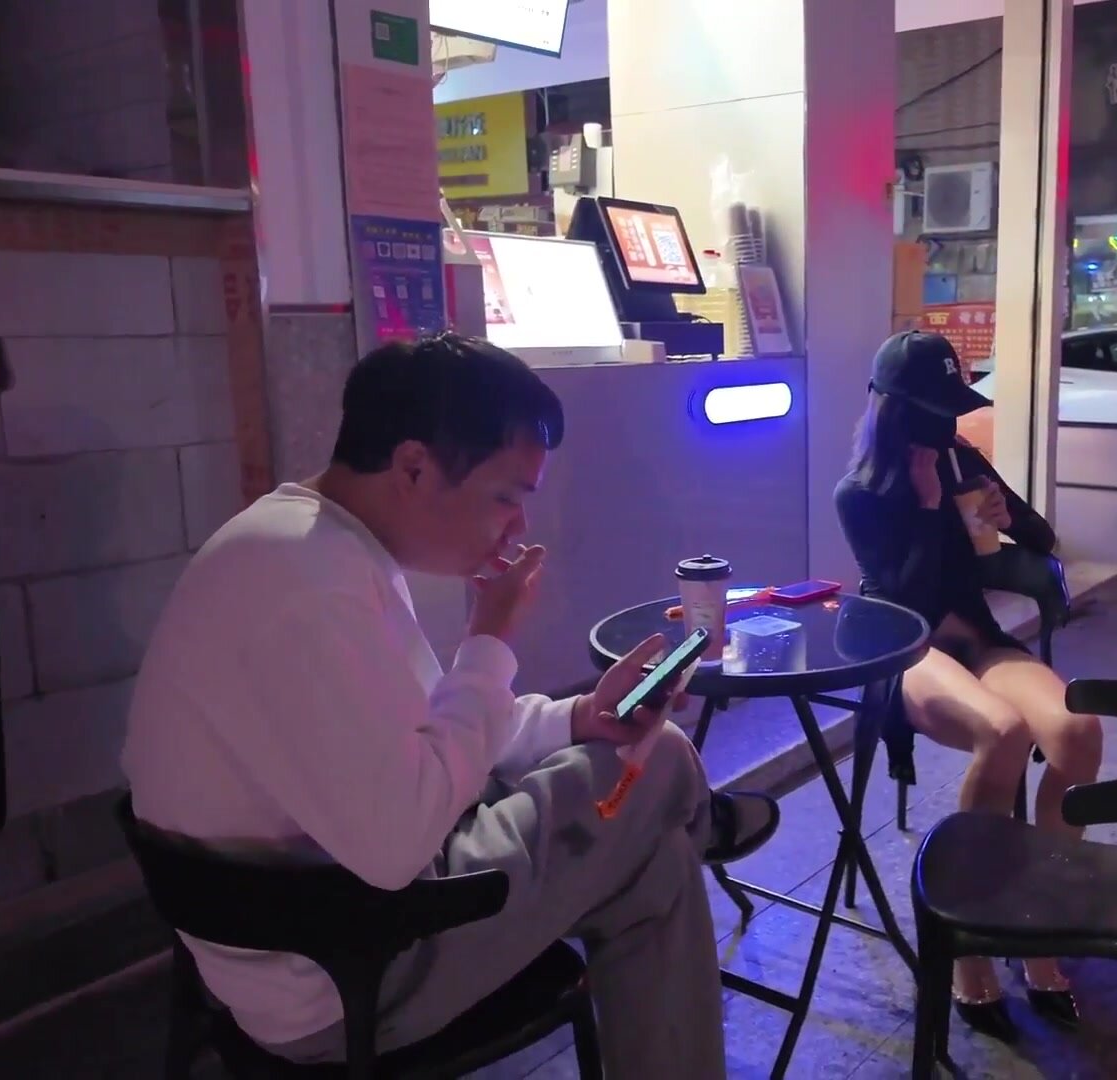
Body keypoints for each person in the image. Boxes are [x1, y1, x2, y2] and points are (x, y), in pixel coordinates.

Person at [121, 334, 778, 1077]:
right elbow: (399, 843)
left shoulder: (303, 545)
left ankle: (685, 824)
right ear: (413, 467)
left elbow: (430, 729)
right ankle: (700, 817)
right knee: (656, 765)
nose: (518, 527)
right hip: (347, 970)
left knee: (654, 871)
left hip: (321, 923)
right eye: (506, 498)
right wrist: (488, 638)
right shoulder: (310, 588)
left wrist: (575, 718)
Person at [833, 331, 1103, 1042]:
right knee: (1001, 730)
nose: (947, 425)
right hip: (904, 645)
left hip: (977, 638)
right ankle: (969, 945)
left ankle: (1037, 916)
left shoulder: (961, 460)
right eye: (934, 412)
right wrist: (928, 508)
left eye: (952, 410)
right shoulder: (860, 494)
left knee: (1077, 731)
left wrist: (1011, 519)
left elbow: (1041, 537)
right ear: (895, 410)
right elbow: (907, 596)